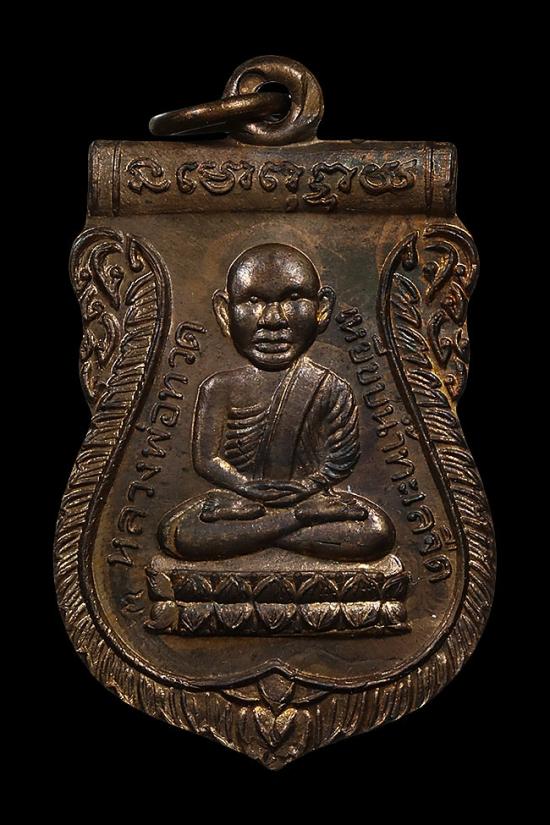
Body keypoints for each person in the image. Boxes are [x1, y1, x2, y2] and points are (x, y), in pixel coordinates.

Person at [158, 243, 396, 562]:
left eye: (293, 299)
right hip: (239, 502)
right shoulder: (218, 387)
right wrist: (245, 487)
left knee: (377, 532)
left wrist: (307, 489)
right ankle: (293, 524)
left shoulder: (331, 388)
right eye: (254, 301)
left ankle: (254, 535)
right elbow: (207, 459)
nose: (272, 320)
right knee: (180, 532)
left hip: (310, 499)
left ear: (322, 309)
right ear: (225, 313)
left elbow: (339, 460)